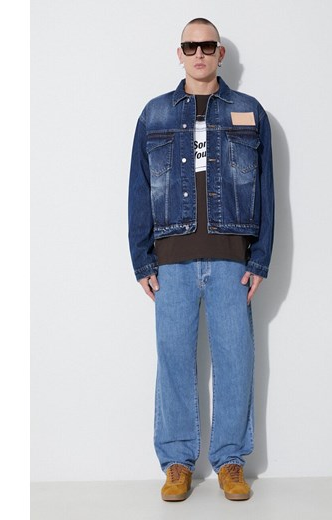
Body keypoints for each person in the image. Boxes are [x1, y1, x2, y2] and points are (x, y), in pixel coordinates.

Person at [128, 17, 274, 502]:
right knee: (173, 360)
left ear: (219, 54)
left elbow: (268, 191)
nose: (199, 54)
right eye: (190, 47)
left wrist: (260, 259)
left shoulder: (249, 111)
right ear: (179, 53)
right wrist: (142, 259)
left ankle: (231, 460)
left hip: (232, 259)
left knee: (235, 360)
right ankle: (177, 462)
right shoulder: (154, 114)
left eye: (207, 46)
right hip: (171, 261)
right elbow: (138, 189)